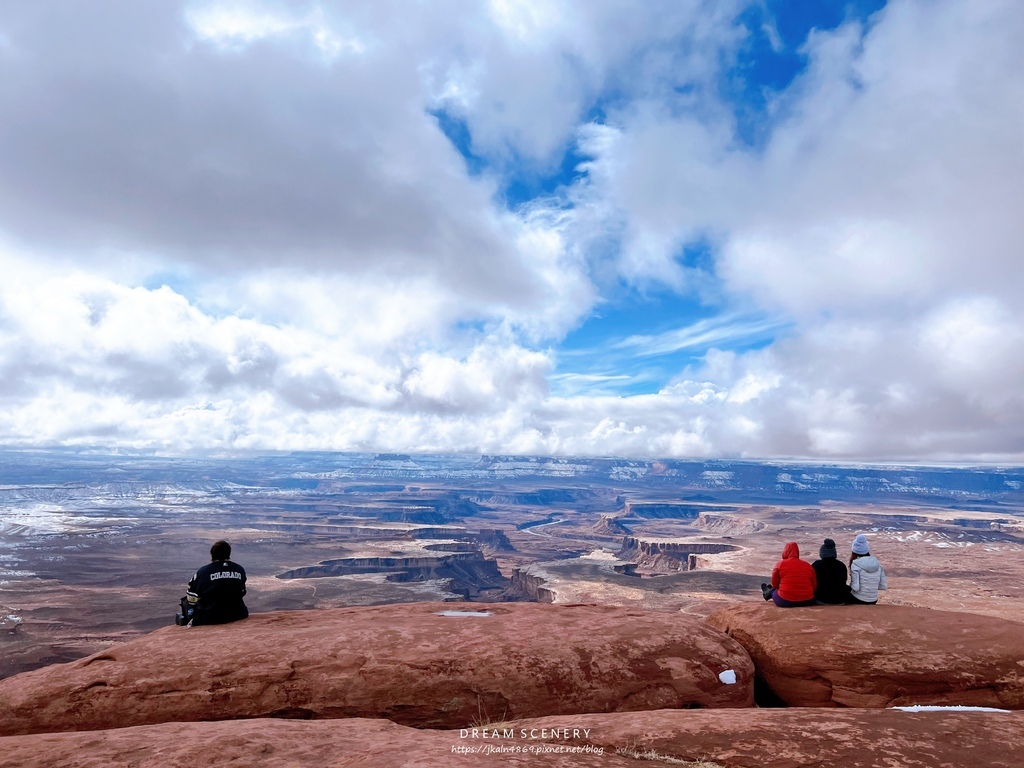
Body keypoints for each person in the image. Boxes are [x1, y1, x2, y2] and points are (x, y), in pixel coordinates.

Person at [183, 540, 249, 626]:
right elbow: (242, 591)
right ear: (229, 553)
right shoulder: (239, 570)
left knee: (185, 601)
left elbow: (191, 597)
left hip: (209, 617)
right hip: (238, 614)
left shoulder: (203, 572)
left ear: (212, 554)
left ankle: (189, 622)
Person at [760, 541, 817, 607]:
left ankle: (769, 592)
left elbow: (775, 585)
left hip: (785, 601)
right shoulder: (808, 566)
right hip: (808, 601)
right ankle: (769, 591)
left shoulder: (780, 564)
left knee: (774, 591)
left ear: (785, 551)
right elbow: (814, 587)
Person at [846, 534, 888, 605]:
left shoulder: (855, 564)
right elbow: (883, 586)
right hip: (874, 600)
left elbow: (855, 588)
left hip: (858, 599)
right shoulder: (877, 564)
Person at [811, 538, 851, 604]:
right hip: (840, 599)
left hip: (821, 599)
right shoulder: (841, 565)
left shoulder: (816, 565)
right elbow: (843, 583)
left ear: (822, 553)